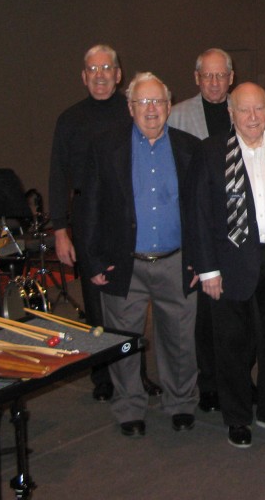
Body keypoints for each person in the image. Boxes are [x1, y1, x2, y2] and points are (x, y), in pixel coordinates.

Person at [185, 82, 265, 448]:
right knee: (231, 344)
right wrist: (207, 269)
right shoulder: (210, 152)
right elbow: (198, 213)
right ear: (231, 113)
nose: (253, 117)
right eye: (244, 110)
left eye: (259, 109)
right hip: (227, 265)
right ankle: (237, 417)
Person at [78, 72, 201, 438]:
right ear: (130, 107)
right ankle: (129, 406)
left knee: (180, 341)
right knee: (123, 340)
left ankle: (180, 402)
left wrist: (199, 261)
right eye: (143, 102)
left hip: (176, 261)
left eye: (158, 102)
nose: (152, 110)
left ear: (169, 105)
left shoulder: (188, 147)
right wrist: (94, 262)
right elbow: (89, 208)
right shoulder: (105, 147)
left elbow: (200, 211)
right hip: (124, 263)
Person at [48, 44, 159, 401]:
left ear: (118, 74)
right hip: (87, 220)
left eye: (106, 67)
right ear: (84, 77)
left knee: (130, 302)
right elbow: (57, 177)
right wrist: (60, 230)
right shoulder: (69, 119)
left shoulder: (132, 112)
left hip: (128, 217)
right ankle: (103, 379)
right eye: (92, 69)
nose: (100, 74)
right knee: (97, 305)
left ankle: (137, 376)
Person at [168, 47, 235, 412]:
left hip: (238, 233)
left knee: (237, 313)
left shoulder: (244, 110)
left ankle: (237, 378)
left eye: (220, 75)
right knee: (204, 317)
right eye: (206, 75)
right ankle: (208, 383)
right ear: (196, 78)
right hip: (199, 229)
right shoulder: (176, 116)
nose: (213, 82)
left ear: (231, 77)